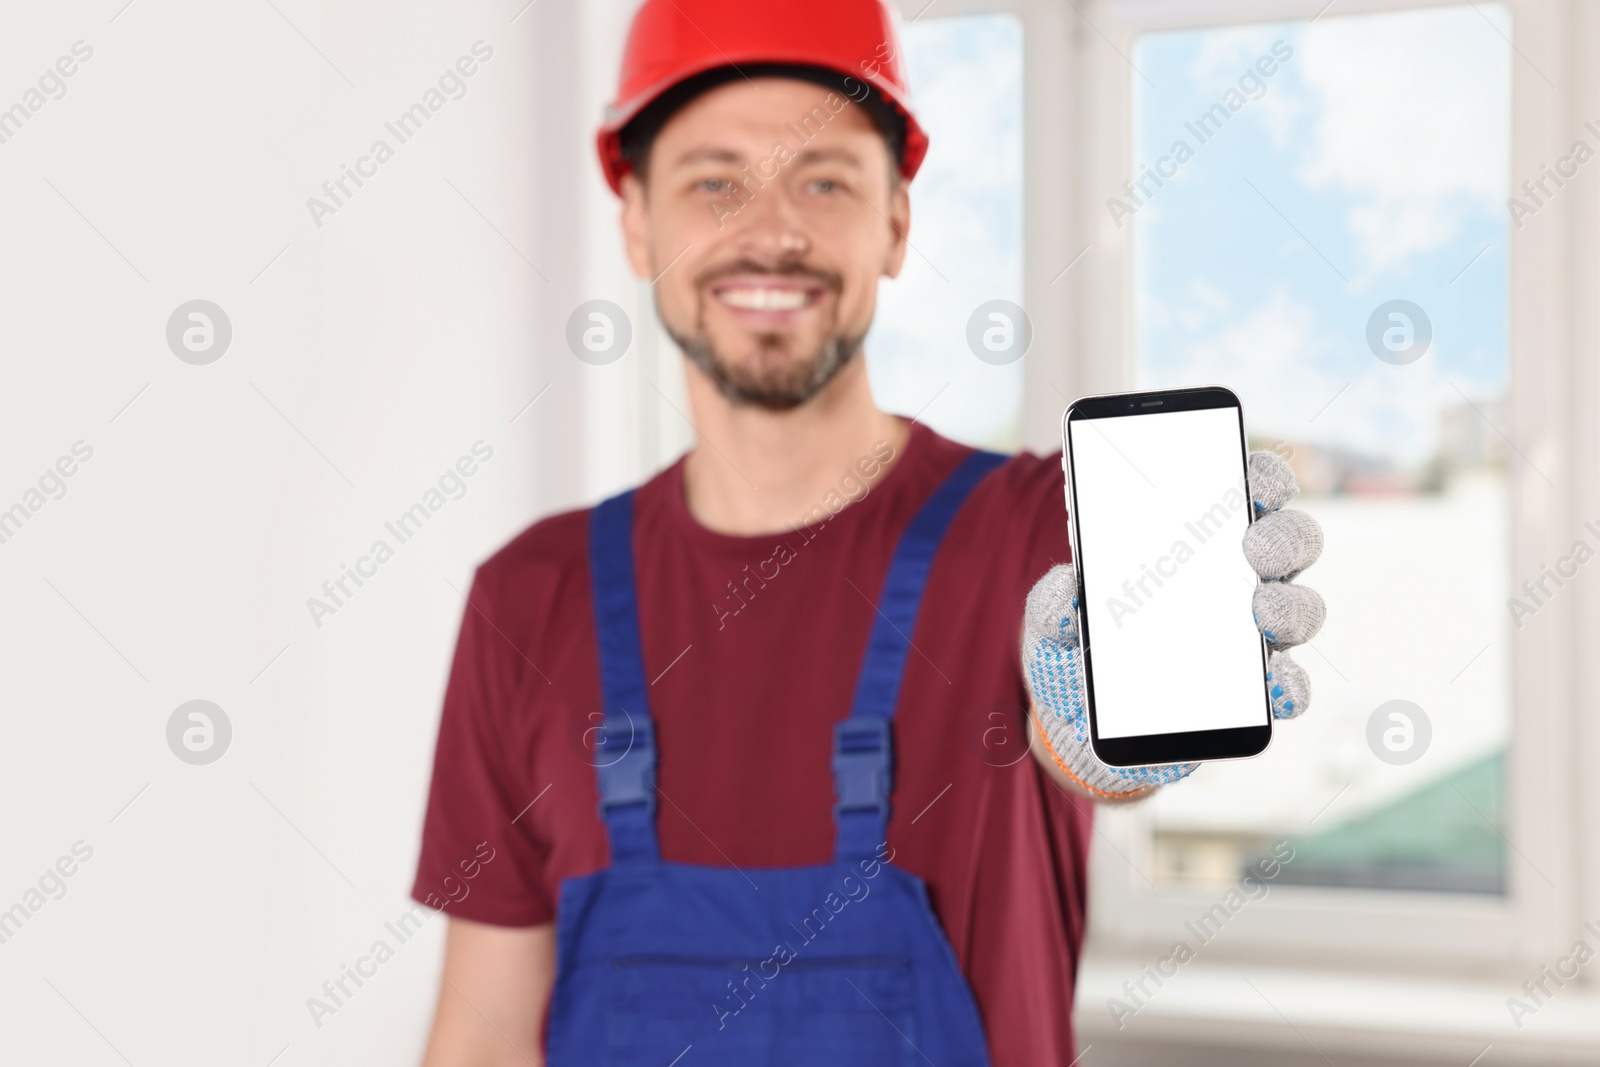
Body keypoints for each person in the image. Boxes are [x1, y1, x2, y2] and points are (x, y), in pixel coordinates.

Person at [412, 1, 1325, 1063]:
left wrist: (1111, 736)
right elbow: (481, 1029)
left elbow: (1085, 739)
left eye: (824, 180)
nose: (772, 231)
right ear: (634, 221)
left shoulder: (1034, 533)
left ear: (896, 222)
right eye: (714, 180)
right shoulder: (529, 595)